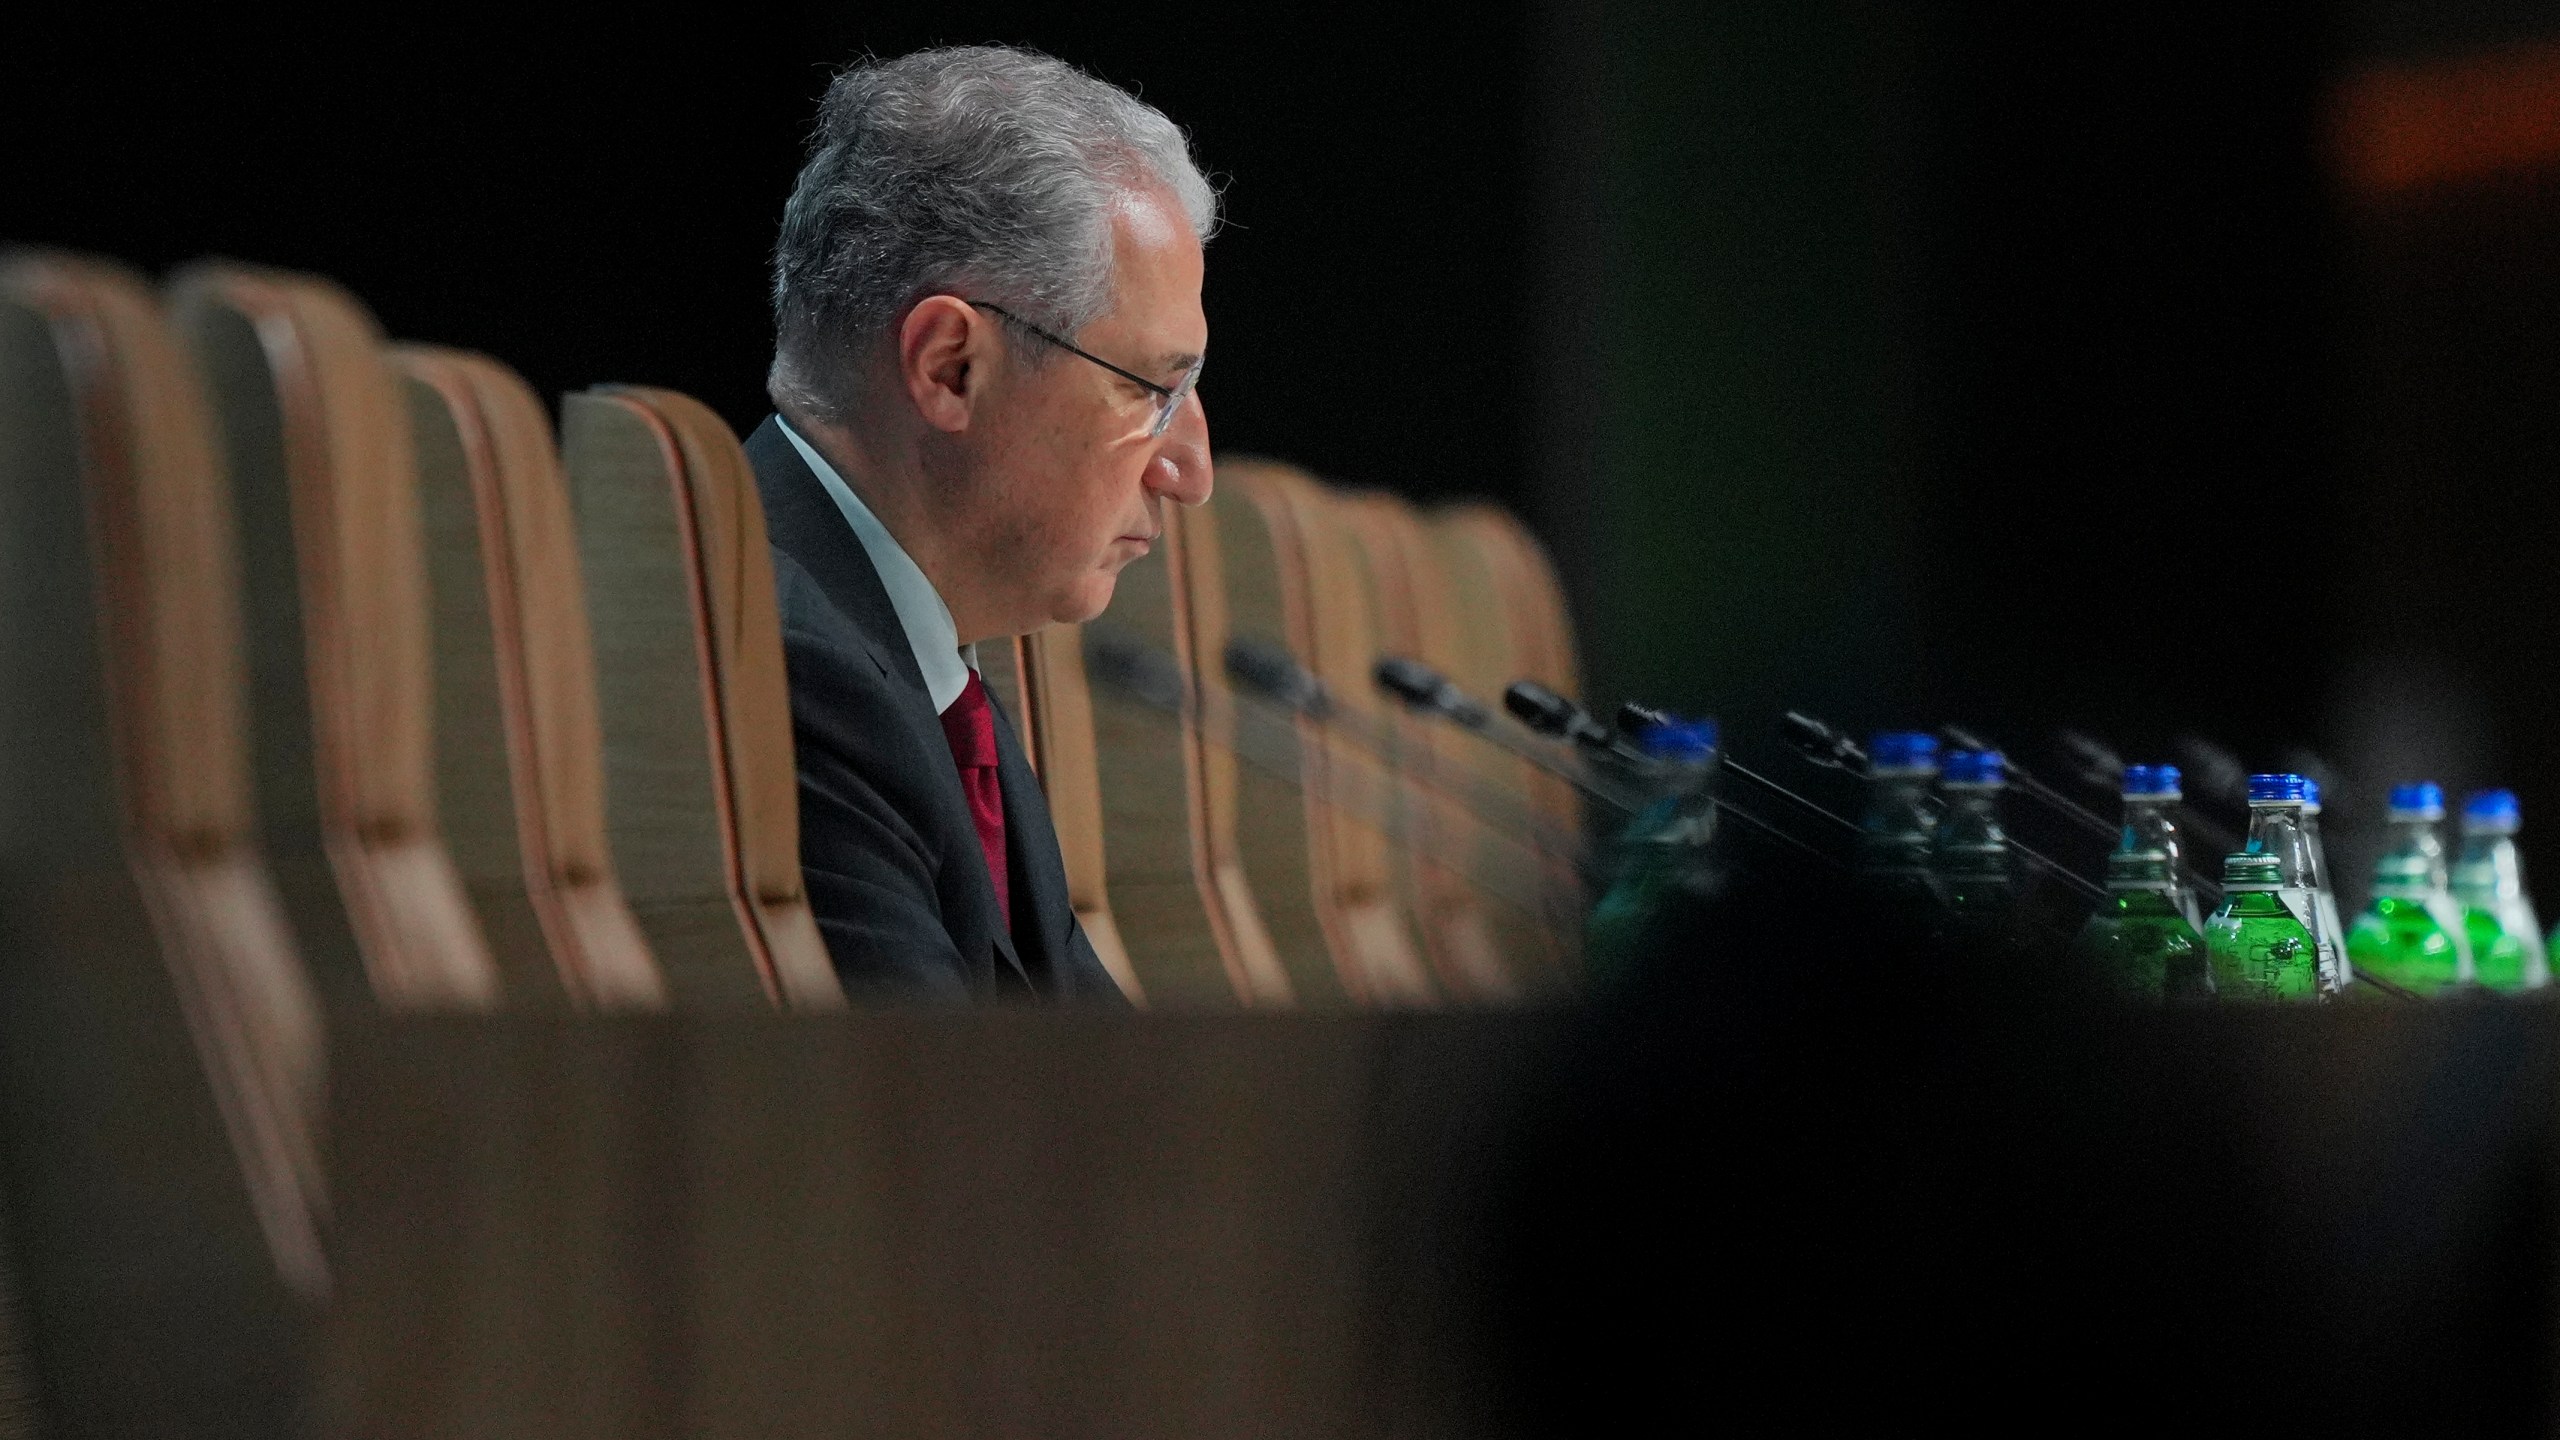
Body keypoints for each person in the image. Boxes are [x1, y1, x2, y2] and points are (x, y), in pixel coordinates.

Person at [750, 45, 1216, 1000]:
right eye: (1153, 391)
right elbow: (961, 1125)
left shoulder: (918, 664)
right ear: (950, 368)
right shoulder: (796, 670)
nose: (1189, 473)